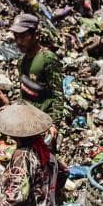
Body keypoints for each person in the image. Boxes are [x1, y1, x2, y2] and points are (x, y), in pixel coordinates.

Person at [10, 13, 64, 141]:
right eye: (16, 37)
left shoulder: (47, 59)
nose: (18, 42)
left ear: (35, 35)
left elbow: (58, 94)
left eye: (23, 36)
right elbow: (24, 92)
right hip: (27, 123)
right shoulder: (22, 62)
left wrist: (54, 124)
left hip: (43, 124)